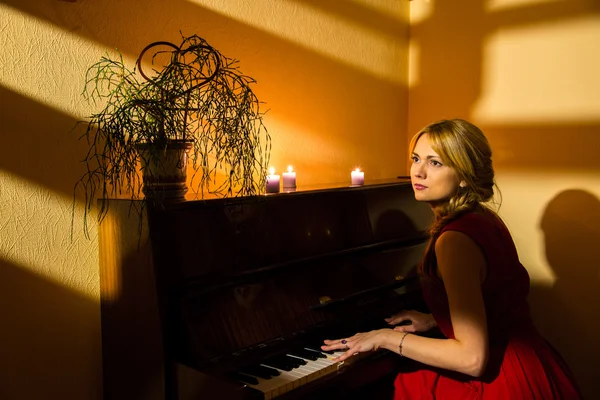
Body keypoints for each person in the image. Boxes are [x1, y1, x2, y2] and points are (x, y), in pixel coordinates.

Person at [322, 119, 581, 399]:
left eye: (435, 163)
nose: (418, 172)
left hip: (502, 382)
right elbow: (493, 303)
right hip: (531, 363)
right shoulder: (483, 218)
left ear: (463, 176)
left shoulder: (454, 241)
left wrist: (384, 337)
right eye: (416, 159)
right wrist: (435, 320)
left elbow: (471, 359)